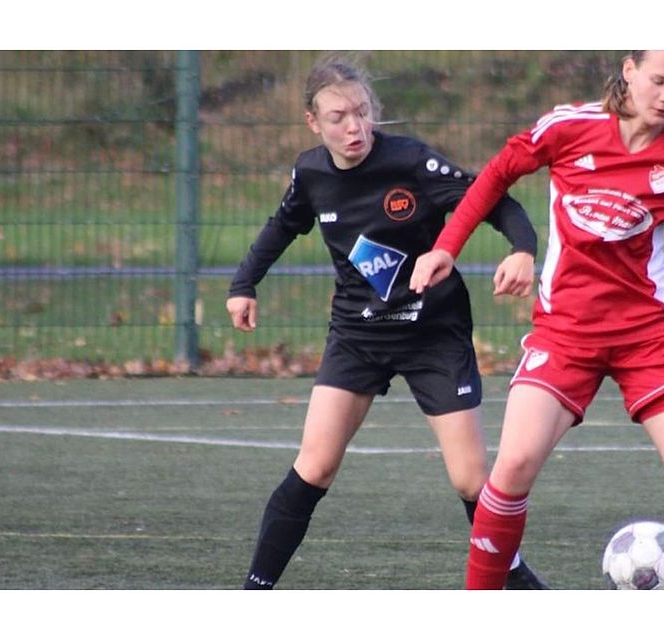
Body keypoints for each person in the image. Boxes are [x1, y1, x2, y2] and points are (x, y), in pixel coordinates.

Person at [410, 50, 664, 589]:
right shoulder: (569, 128)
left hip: (650, 335)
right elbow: (498, 174)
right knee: (512, 467)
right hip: (565, 333)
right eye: (658, 80)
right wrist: (446, 246)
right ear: (629, 70)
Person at [226, 57, 548, 589]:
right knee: (314, 466)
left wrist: (522, 249)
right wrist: (244, 285)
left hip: (432, 336)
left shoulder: (412, 162)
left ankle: (520, 586)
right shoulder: (311, 174)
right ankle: (253, 591)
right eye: (338, 118)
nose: (354, 127)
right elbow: (281, 226)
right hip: (358, 337)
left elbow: (492, 200)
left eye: (362, 112)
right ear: (313, 122)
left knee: (472, 482)